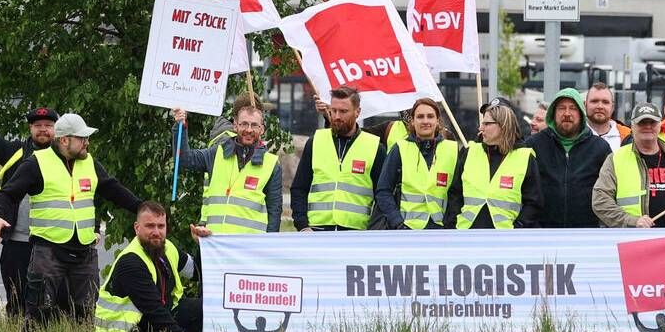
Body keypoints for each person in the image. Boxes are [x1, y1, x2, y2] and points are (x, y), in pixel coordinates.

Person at [0, 113, 142, 331]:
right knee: (39, 311)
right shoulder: (37, 163)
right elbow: (7, 194)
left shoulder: (89, 162)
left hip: (84, 251)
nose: (87, 143)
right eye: (82, 138)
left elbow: (114, 189)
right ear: (64, 140)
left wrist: (143, 209)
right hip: (48, 251)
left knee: (86, 311)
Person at [0, 92, 58, 318]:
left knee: (52, 303)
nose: (43, 129)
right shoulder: (16, 153)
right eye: (38, 125)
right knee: (16, 301)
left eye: (48, 125)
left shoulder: (65, 158)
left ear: (56, 129)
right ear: (30, 129)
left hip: (53, 243)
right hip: (17, 242)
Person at [95, 201, 201, 332]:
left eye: (161, 226)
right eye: (150, 226)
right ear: (137, 228)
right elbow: (155, 313)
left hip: (155, 319)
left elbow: (196, 272)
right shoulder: (131, 262)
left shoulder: (168, 247)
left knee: (204, 308)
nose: (156, 232)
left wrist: (202, 245)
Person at [171, 96, 281, 235]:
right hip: (217, 246)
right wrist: (181, 125)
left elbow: (274, 212)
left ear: (262, 129)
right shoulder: (216, 153)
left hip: (251, 250)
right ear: (235, 125)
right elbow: (185, 159)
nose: (249, 129)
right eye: (244, 124)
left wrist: (269, 247)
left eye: (254, 125)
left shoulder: (271, 164)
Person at [292, 86, 385, 231]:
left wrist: (373, 231)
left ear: (357, 112)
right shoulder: (315, 142)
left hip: (357, 234)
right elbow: (299, 188)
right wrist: (302, 225)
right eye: (333, 110)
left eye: (343, 111)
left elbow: (383, 197)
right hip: (316, 231)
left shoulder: (375, 147)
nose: (336, 116)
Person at [447, 98, 543, 228]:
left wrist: (518, 227)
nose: (480, 127)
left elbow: (533, 203)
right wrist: (454, 224)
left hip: (505, 241)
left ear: (503, 125)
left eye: (486, 124)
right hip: (466, 236)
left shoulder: (525, 157)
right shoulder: (469, 152)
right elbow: (455, 194)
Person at [592, 102, 665, 227]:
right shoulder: (616, 159)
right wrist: (631, 221)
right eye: (642, 122)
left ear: (660, 125)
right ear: (632, 126)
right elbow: (600, 202)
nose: (647, 126)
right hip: (634, 241)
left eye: (652, 122)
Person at [526, 88, 611, 228]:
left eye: (572, 108)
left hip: (586, 234)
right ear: (553, 113)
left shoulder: (600, 148)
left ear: (581, 114)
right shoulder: (533, 145)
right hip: (541, 233)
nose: (567, 113)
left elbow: (608, 193)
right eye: (561, 108)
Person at [374, 98, 459, 229]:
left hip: (441, 229)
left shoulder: (452, 149)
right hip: (407, 228)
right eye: (420, 117)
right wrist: (397, 222)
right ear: (412, 121)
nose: (425, 121)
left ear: (437, 121)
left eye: (430, 116)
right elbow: (383, 190)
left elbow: (458, 192)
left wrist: (450, 224)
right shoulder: (400, 148)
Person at [583, 82, 630, 153]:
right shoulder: (574, 134)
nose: (600, 106)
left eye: (605, 102)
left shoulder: (628, 136)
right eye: (594, 101)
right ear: (585, 105)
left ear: (612, 107)